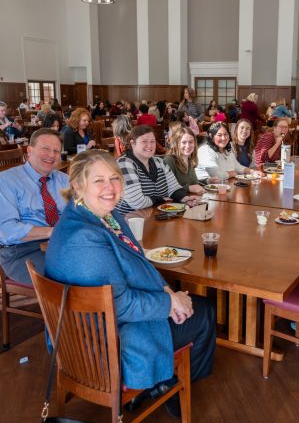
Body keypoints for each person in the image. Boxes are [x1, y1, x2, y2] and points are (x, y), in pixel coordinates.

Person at [44, 150, 216, 417]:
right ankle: (169, 385)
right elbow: (119, 306)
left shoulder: (103, 216)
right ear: (78, 185)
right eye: (99, 180)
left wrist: (168, 292)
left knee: (190, 303)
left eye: (114, 178)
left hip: (103, 324)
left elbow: (139, 261)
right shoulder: (83, 236)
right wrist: (169, 302)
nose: (110, 188)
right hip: (102, 343)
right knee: (204, 312)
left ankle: (159, 382)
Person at [0, 129, 68, 284]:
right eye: (45, 149)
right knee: (73, 271)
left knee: (102, 261)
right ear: (29, 151)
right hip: (21, 252)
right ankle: (67, 308)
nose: (51, 155)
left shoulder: (65, 180)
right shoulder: (6, 181)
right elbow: (6, 231)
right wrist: (54, 232)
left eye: (56, 151)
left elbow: (81, 213)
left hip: (61, 244)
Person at [115, 125, 197, 215]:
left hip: (157, 216)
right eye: (144, 141)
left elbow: (174, 188)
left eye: (152, 141)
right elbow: (137, 202)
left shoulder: (159, 162)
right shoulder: (124, 163)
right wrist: (161, 199)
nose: (149, 145)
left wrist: (185, 199)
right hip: (129, 221)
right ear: (132, 143)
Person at [164, 127, 215, 194]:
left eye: (191, 142)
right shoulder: (169, 160)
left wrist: (207, 181)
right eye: (184, 142)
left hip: (192, 200)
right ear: (177, 143)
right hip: (175, 203)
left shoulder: (189, 159)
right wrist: (188, 188)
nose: (188, 146)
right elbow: (166, 189)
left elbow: (193, 183)